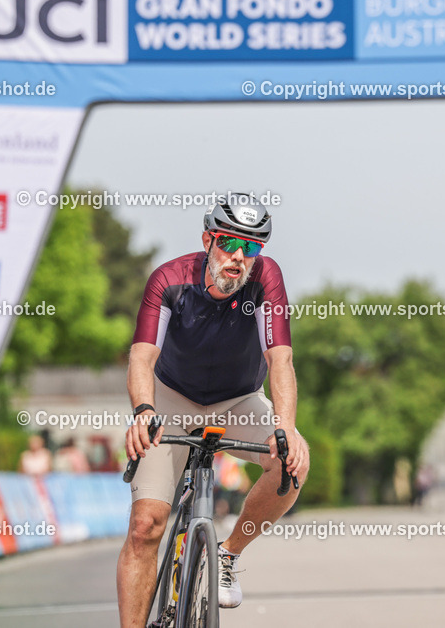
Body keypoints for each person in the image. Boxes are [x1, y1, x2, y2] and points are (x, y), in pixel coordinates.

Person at [116, 193, 309, 626]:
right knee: (147, 525)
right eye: (228, 243)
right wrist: (144, 410)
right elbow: (142, 357)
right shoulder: (169, 279)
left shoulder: (266, 279)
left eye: (252, 247)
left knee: (292, 464)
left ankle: (227, 554)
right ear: (208, 240)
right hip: (171, 399)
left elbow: (281, 358)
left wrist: (286, 426)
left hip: (238, 400)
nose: (239, 257)